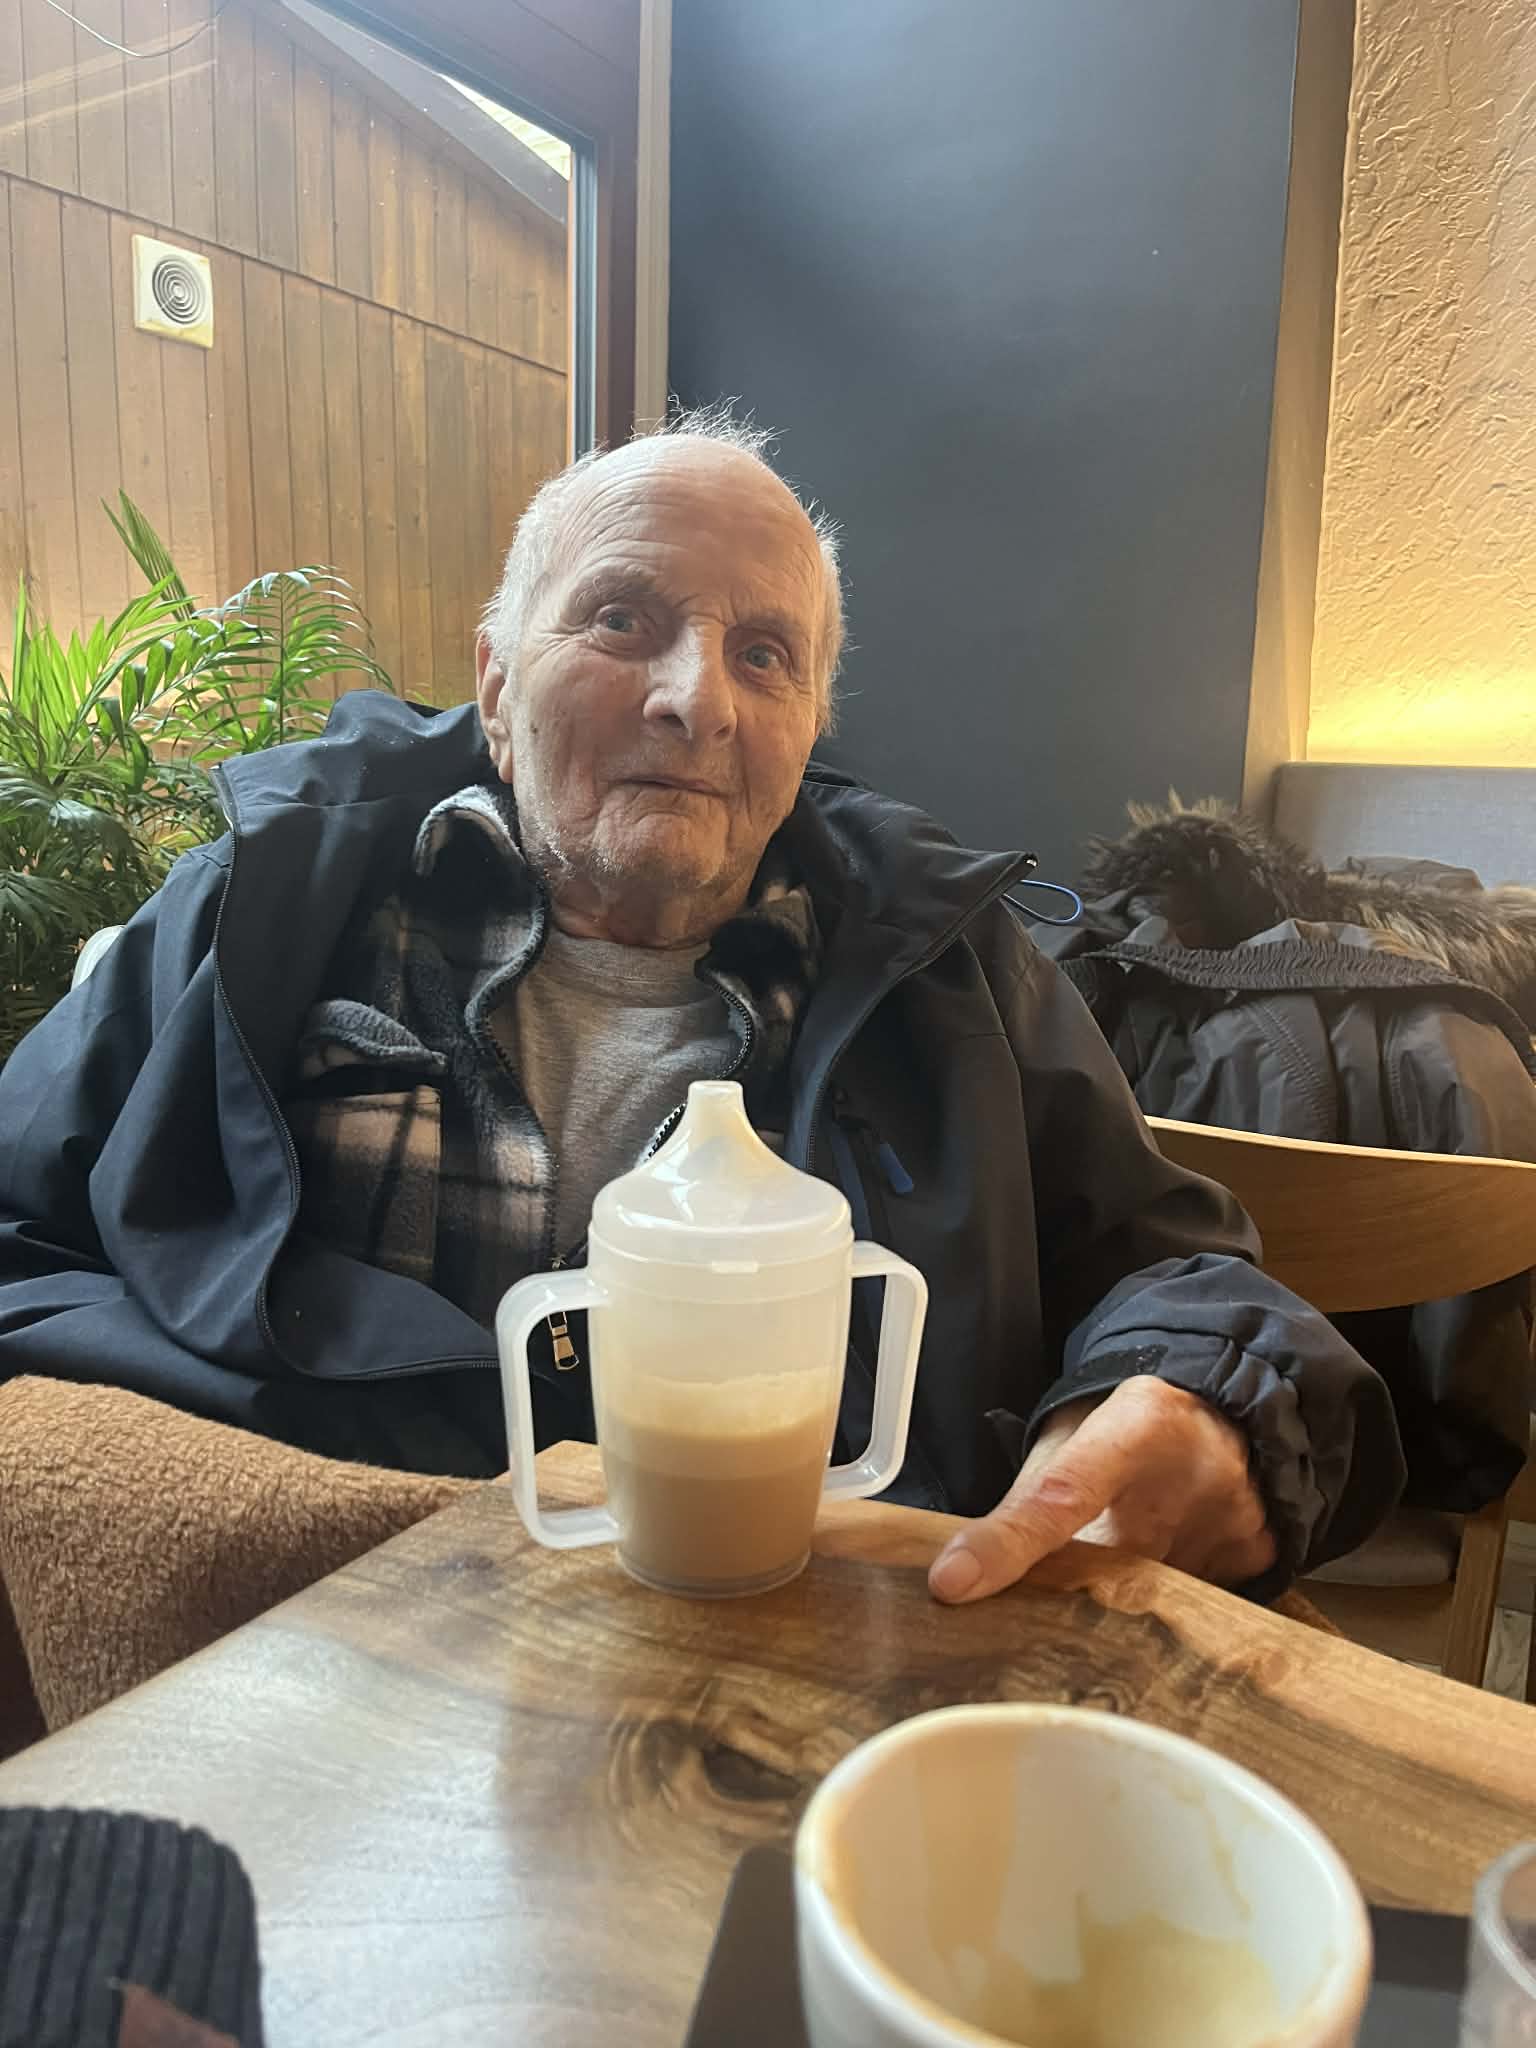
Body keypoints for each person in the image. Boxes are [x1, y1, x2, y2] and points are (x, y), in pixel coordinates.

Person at [0, 414, 1404, 1606]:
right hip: (318, 1661)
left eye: (765, 654)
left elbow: (1174, 1277)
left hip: (806, 1677)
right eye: (624, 619)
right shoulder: (263, 906)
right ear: (496, 683)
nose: (697, 701)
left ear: (808, 730)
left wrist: (1199, 1404)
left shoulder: (951, 969)